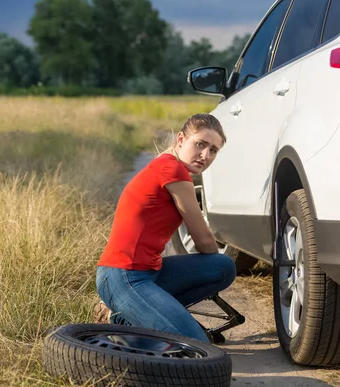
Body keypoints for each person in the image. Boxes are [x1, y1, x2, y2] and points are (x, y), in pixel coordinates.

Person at [94, 113, 236, 343]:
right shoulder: (173, 170)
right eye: (200, 144)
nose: (205, 155)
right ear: (181, 140)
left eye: (213, 150)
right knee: (196, 345)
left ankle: (125, 318)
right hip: (124, 276)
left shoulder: (167, 165)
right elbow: (203, 239)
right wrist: (205, 256)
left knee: (222, 266)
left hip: (150, 273)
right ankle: (133, 316)